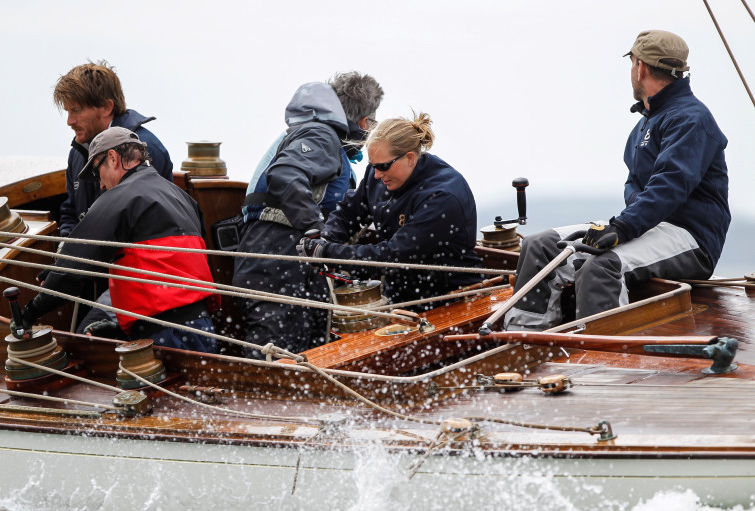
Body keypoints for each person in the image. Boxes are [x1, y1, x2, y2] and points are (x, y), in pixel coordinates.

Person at [502, 30, 730, 331]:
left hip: (690, 237)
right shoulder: (645, 124)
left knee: (601, 267)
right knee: (539, 246)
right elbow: (634, 184)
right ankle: (523, 343)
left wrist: (623, 228)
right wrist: (627, 224)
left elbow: (670, 186)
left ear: (640, 68)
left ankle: (604, 363)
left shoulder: (690, 119)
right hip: (645, 226)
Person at [11, 127, 218, 353]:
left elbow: (70, 272)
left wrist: (29, 314)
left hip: (165, 335)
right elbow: (173, 269)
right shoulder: (183, 198)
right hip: (201, 327)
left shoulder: (120, 197)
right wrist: (123, 329)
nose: (99, 184)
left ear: (112, 158)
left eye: (98, 172)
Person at [232, 72, 384, 359]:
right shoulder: (321, 136)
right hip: (278, 258)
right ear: (365, 122)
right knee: (278, 354)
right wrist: (316, 231)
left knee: (302, 352)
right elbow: (286, 175)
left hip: (274, 255)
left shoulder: (312, 133)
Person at [299, 112, 484, 305]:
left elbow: (394, 256)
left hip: (452, 301)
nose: (377, 175)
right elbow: (349, 211)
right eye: (373, 166)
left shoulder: (442, 197)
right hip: (400, 298)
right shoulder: (378, 173)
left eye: (383, 167)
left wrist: (328, 252)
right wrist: (327, 237)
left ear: (410, 158)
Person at [53, 60, 174, 238]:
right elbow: (70, 213)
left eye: (76, 110)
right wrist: (66, 248)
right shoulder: (77, 153)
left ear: (107, 107)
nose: (69, 121)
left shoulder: (144, 151)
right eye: (68, 111)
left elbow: (144, 226)